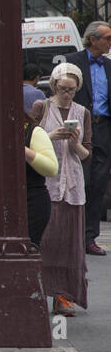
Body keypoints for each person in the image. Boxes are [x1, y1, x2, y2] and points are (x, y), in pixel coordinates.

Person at [0, 97, 59, 278]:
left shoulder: (34, 133)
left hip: (32, 201)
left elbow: (52, 168)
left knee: (25, 252)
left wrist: (25, 152)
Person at [33, 63, 91, 315]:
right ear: (54, 85)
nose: (67, 94)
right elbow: (27, 139)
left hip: (73, 182)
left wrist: (75, 142)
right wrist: (51, 136)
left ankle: (63, 295)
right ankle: (37, 291)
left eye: (72, 89)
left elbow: (86, 152)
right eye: (63, 88)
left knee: (70, 242)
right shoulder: (41, 107)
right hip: (47, 181)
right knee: (45, 240)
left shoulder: (82, 112)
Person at [61, 20, 111, 255]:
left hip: (104, 128)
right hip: (79, 127)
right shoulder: (72, 61)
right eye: (107, 38)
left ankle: (89, 237)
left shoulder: (109, 65)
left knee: (98, 183)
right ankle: (72, 234)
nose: (110, 42)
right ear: (93, 39)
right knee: (78, 179)